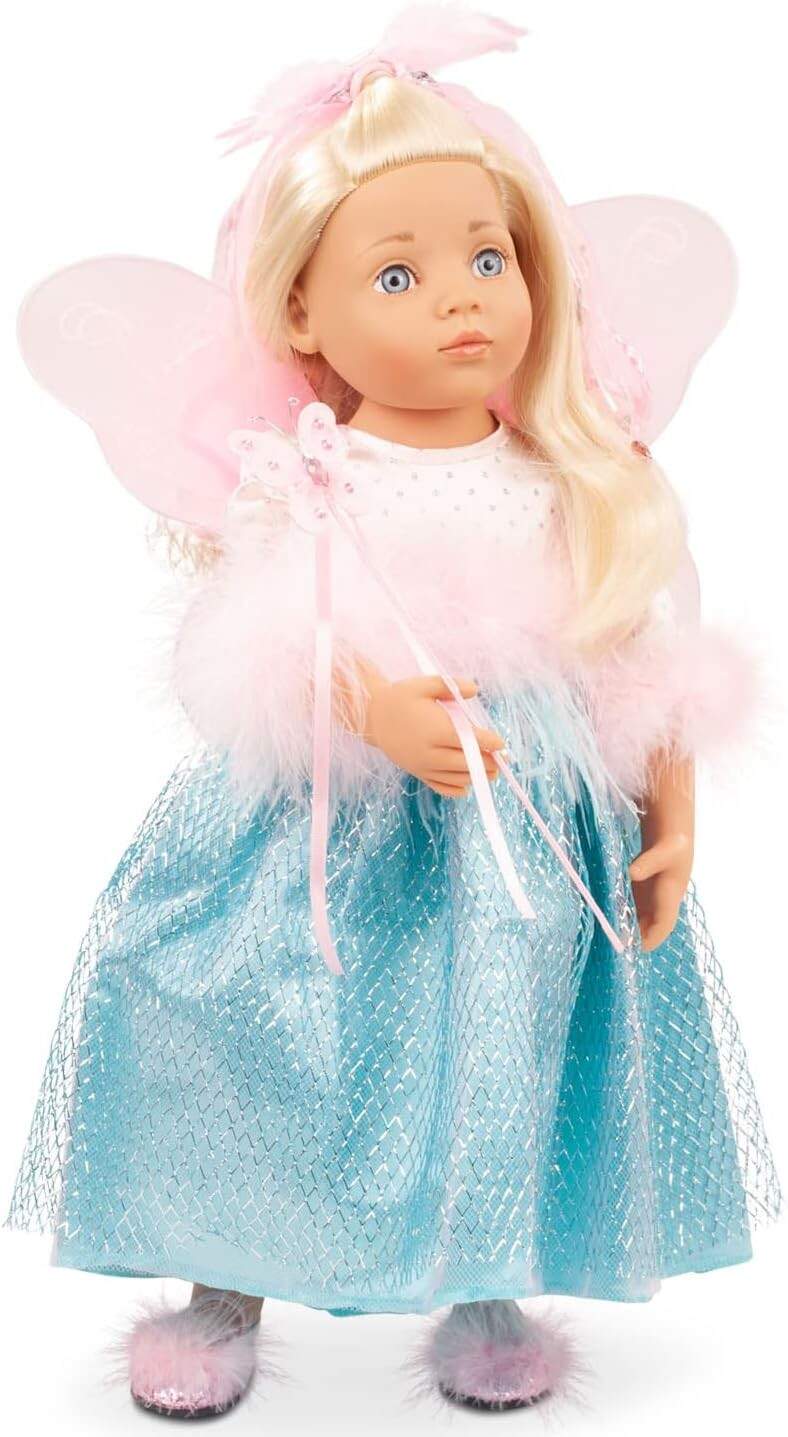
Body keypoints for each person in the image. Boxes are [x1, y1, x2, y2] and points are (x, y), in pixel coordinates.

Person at [3, 2, 782, 1419]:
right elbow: (252, 637)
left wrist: (667, 790)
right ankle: (223, 1273)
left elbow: (629, 635)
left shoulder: (567, 473)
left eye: (489, 259)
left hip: (523, 828)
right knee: (247, 1026)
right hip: (321, 818)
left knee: (507, 1042)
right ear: (303, 311)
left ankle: (489, 1273)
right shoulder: (303, 474)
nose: (461, 300)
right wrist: (367, 706)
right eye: (400, 273)